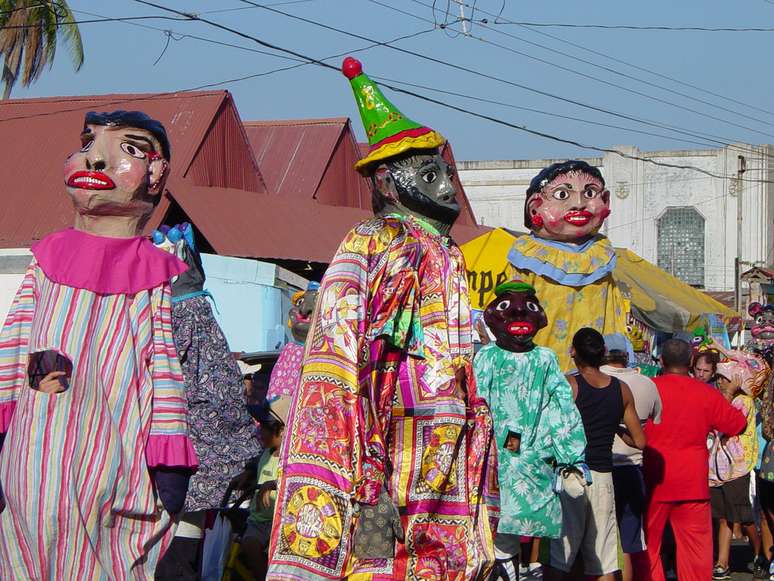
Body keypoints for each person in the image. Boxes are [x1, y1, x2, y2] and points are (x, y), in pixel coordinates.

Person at [266, 57, 498, 580]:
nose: (448, 188)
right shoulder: (383, 240)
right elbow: (363, 363)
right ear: (390, 185)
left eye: (447, 174)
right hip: (394, 462)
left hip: (444, 464)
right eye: (430, 174)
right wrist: (368, 485)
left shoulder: (443, 249)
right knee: (378, 565)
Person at [0, 111, 199, 579]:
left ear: (156, 173)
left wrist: (167, 467)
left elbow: (165, 373)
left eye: (128, 150)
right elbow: (12, 351)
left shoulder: (161, 280)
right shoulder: (45, 262)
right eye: (89, 142)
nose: (97, 158)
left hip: (115, 480)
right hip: (28, 474)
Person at [153, 223, 261, 580]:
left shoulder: (181, 323)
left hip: (177, 477)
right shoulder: (198, 324)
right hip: (184, 474)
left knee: (178, 557)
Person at [474, 280, 587, 581]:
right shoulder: (488, 357)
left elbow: (562, 407)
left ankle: (506, 570)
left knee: (505, 530)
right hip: (494, 461)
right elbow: (476, 403)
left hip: (522, 461)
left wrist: (570, 458)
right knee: (496, 529)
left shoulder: (544, 359)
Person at [506, 161, 627, 371]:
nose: (579, 204)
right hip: (539, 369)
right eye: (562, 195)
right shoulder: (528, 257)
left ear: (605, 200)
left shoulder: (600, 255)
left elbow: (613, 314)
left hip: (593, 373)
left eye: (590, 193)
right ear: (535, 206)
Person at [642, 339, 747, 581]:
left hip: (654, 479)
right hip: (692, 482)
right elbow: (736, 423)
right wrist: (729, 394)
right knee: (696, 553)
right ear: (690, 362)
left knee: (649, 546)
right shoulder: (705, 393)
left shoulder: (649, 388)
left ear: (661, 361)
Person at [546, 328, 646, 581]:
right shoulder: (621, 389)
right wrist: (613, 427)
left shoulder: (570, 386)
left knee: (561, 556)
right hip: (603, 477)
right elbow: (639, 441)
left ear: (573, 352)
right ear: (602, 353)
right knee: (602, 560)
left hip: (571, 475)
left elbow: (550, 430)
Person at [600, 333, 662, 581]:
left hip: (598, 469)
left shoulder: (586, 381)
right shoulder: (647, 384)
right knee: (628, 541)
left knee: (598, 540)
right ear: (626, 355)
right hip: (632, 469)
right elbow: (655, 419)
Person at [710, 361, 764, 579]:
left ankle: (758, 552)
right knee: (722, 516)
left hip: (737, 467)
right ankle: (722, 562)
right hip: (717, 467)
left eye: (725, 379)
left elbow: (725, 422)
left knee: (742, 515)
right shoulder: (721, 398)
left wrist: (730, 392)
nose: (721, 383)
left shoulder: (744, 401)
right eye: (720, 379)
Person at [241, 396, 290, 580]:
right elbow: (256, 465)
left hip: (278, 522)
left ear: (282, 430)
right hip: (258, 520)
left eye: (265, 426)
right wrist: (246, 473)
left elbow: (291, 480)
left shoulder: (289, 459)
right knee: (249, 547)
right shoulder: (266, 453)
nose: (260, 430)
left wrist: (272, 484)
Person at [266, 281, 319, 400]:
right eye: (300, 302)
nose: (304, 310)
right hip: (281, 407)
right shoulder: (290, 350)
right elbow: (277, 380)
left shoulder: (320, 354)